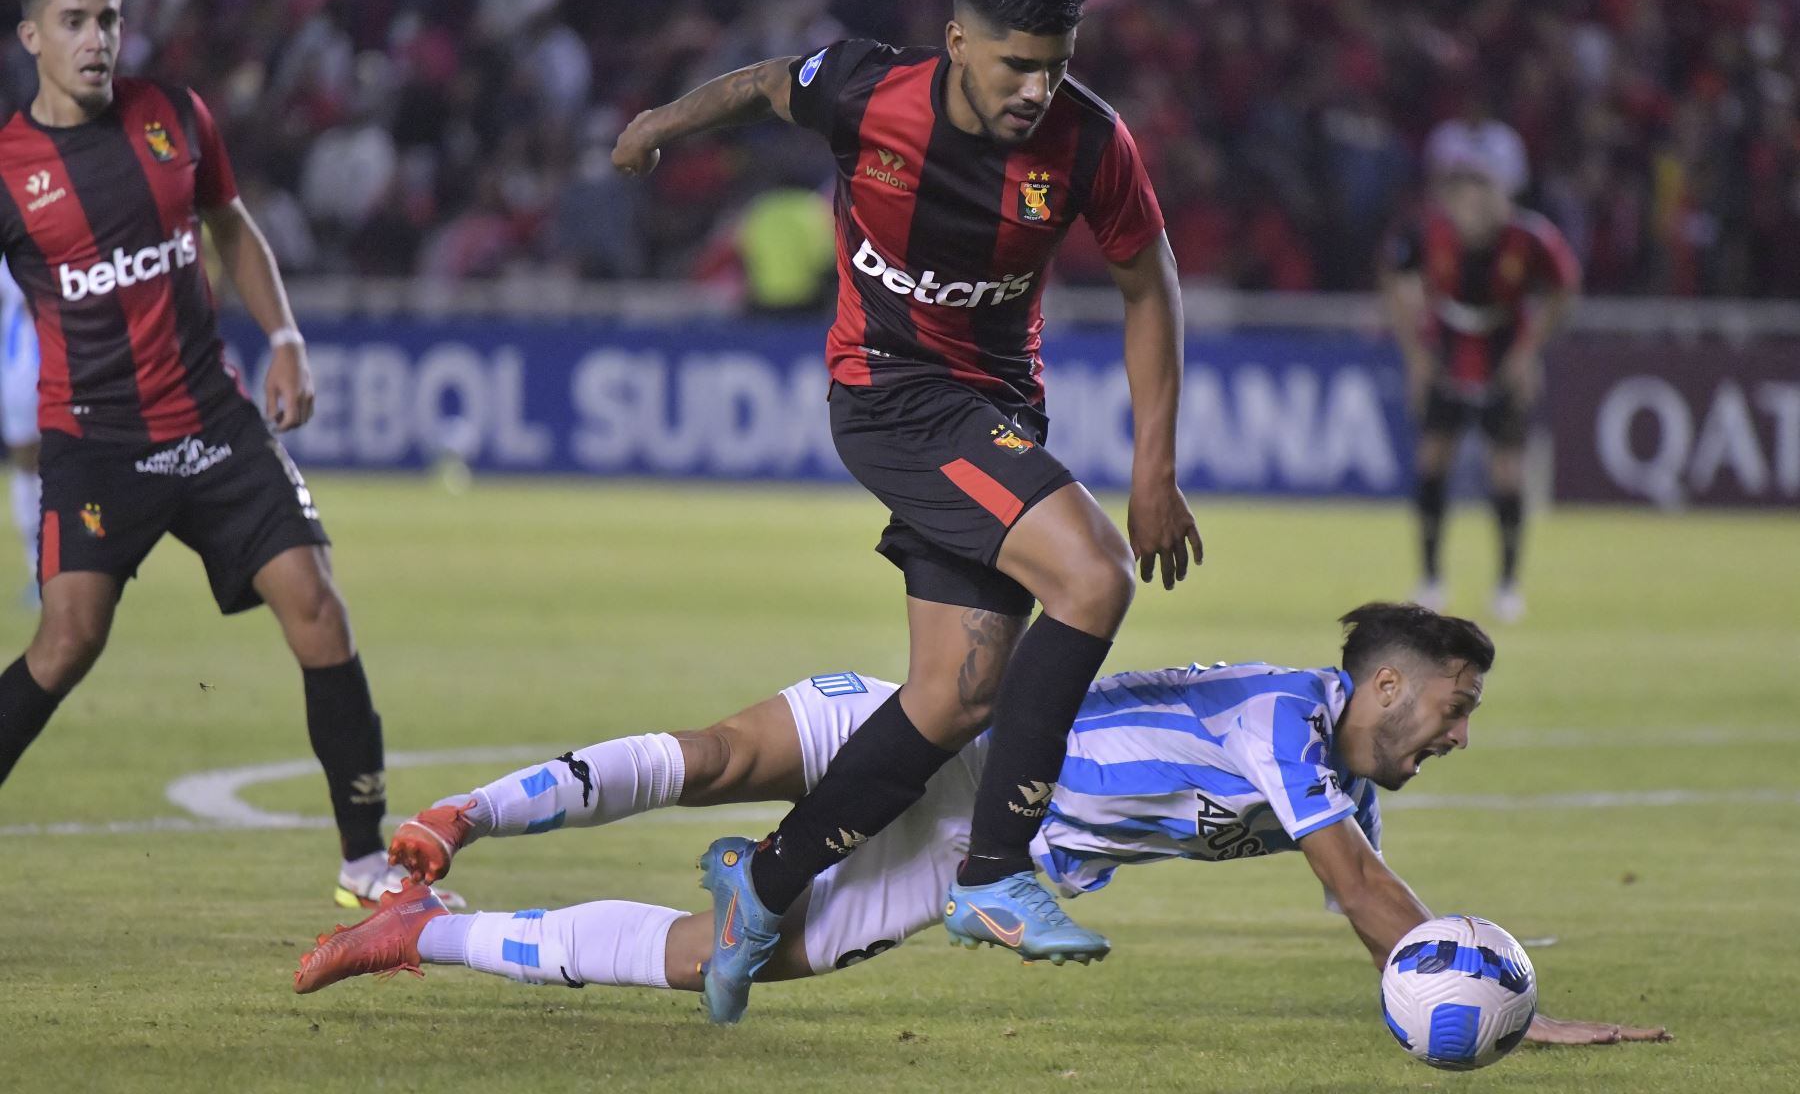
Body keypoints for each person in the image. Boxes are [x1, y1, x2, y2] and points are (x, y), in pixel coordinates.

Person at [608, 0, 1202, 1024]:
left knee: (955, 695)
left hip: (996, 410)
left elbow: (1148, 283)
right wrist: (657, 123)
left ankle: (764, 886)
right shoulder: (870, 93)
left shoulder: (1087, 142)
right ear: (957, 42)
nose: (1037, 88)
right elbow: (759, 85)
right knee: (1095, 577)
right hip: (890, 393)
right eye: (1017, 62)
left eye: (1057, 63)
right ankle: (994, 873)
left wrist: (1154, 466)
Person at [293, 602, 1669, 1050]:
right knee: (724, 755)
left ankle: (426, 931)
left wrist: (1477, 990)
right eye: (1455, 706)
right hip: (952, 726)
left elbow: (1371, 904)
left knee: (743, 961)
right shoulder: (1287, 727)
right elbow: (1370, 897)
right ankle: (457, 819)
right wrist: (1490, 990)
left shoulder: (1341, 779)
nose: (1460, 734)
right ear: (1387, 685)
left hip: (971, 849)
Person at [0, 0, 456, 910]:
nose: (97, 40)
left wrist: (285, 334)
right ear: (32, 37)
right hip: (97, 444)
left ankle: (367, 864)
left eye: (110, 20)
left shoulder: (173, 116)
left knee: (318, 606)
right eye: (76, 22)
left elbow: (230, 224)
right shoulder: (10, 170)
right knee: (67, 641)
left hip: (213, 418)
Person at [1383, 120, 1580, 624]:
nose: (1471, 205)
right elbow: (1395, 280)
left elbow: (1564, 287)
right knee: (1432, 463)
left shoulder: (1530, 239)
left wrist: (1528, 351)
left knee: (1508, 472)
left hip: (1502, 349)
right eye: (1461, 194)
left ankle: (1508, 584)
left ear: (1500, 194)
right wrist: (1417, 356)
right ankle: (1430, 578)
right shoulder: (1426, 232)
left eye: (1481, 192)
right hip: (1447, 349)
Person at [1, 260, 40, 605]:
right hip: (18, 368)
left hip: (45, 363)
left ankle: (50, 568)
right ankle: (39, 567)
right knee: (27, 463)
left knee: (44, 464)